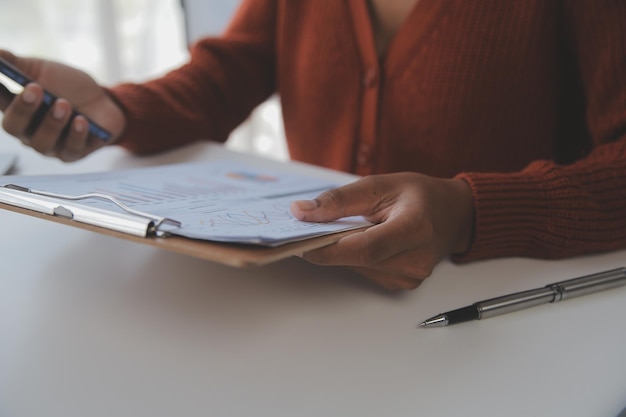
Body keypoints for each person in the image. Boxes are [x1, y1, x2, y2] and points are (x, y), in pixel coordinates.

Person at [1, 0, 626, 290]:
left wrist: (464, 210)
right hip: (303, 312)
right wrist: (115, 108)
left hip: (493, 318)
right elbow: (226, 74)